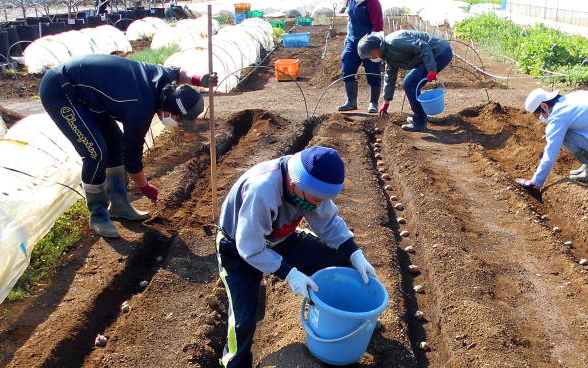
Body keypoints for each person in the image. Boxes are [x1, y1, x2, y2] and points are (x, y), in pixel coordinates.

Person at [215, 146, 377, 368]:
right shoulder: (262, 191)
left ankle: (352, 320)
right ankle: (234, 364)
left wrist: (354, 253)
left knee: (338, 260)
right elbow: (250, 248)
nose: (318, 205)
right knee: (243, 320)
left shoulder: (309, 182)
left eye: (323, 200)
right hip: (238, 249)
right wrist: (290, 274)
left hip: (281, 238)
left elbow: (329, 224)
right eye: (316, 200)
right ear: (295, 185)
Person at [39, 54, 217, 238]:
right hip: (61, 90)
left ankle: (119, 204)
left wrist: (199, 79)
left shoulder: (165, 81)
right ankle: (98, 215)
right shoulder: (139, 109)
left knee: (115, 142)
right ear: (170, 108)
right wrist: (145, 187)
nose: (179, 124)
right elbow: (132, 159)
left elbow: (179, 72)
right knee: (96, 152)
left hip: (88, 95)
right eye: (180, 119)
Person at [515, 88, 588, 190]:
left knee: (564, 133)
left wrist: (536, 181)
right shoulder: (577, 95)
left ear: (544, 106)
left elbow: (551, 152)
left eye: (538, 115)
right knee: (575, 127)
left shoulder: (558, 116)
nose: (540, 119)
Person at [357, 30, 453, 131]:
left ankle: (420, 122)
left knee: (410, 84)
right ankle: (420, 118)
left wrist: (431, 69)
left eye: (369, 57)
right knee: (411, 83)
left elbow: (423, 46)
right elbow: (390, 76)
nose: (371, 59)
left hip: (440, 52)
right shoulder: (387, 54)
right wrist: (386, 101)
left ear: (373, 52)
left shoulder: (395, 41)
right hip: (430, 55)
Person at [337, 0, 384, 113]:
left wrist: (373, 43)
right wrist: (348, 34)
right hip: (353, 40)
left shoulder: (374, 3)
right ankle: (351, 101)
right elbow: (350, 18)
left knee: (373, 70)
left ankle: (373, 103)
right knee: (347, 65)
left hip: (369, 41)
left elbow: (378, 26)